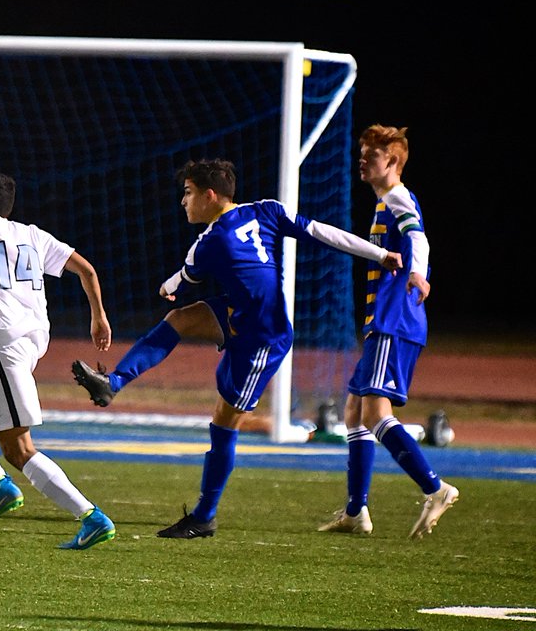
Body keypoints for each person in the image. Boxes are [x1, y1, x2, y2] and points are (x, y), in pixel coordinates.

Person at [71, 158, 403, 539]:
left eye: (188, 192)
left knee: (223, 423)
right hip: (238, 317)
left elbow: (187, 274)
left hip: (262, 339)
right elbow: (323, 233)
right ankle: (112, 381)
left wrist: (170, 283)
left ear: (210, 195)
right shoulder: (267, 210)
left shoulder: (208, 243)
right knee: (180, 319)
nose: (184, 201)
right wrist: (380, 255)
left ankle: (204, 516)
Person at [0, 171, 116, 550]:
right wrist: (98, 316)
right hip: (30, 341)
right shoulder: (33, 234)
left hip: (2, 345)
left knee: (19, 449)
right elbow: (87, 270)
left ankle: (90, 516)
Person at [317, 125, 457, 539]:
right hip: (386, 322)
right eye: (361, 153)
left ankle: (436, 488)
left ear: (392, 162)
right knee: (353, 413)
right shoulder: (384, 201)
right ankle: (356, 511)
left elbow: (418, 235)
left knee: (377, 413)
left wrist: (416, 272)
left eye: (371, 155)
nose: (362, 160)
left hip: (394, 322)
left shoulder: (397, 196)